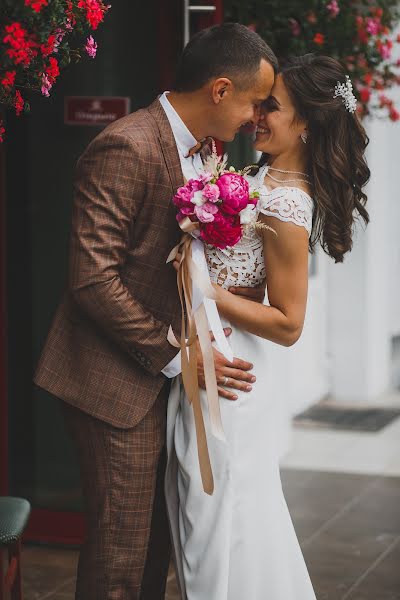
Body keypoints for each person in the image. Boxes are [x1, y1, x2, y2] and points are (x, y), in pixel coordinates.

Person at [33, 23, 277, 599]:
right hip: (111, 382)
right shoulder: (127, 144)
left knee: (157, 551)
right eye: (252, 102)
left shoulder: (210, 151)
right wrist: (177, 358)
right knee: (121, 554)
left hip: (169, 383)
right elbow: (92, 280)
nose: (254, 118)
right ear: (220, 90)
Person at [166, 54, 370, 599]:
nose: (257, 115)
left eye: (271, 107)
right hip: (210, 360)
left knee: (221, 517)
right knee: (210, 514)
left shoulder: (286, 200)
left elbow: (289, 322)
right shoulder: (255, 178)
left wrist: (205, 291)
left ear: (306, 122)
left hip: (235, 378)